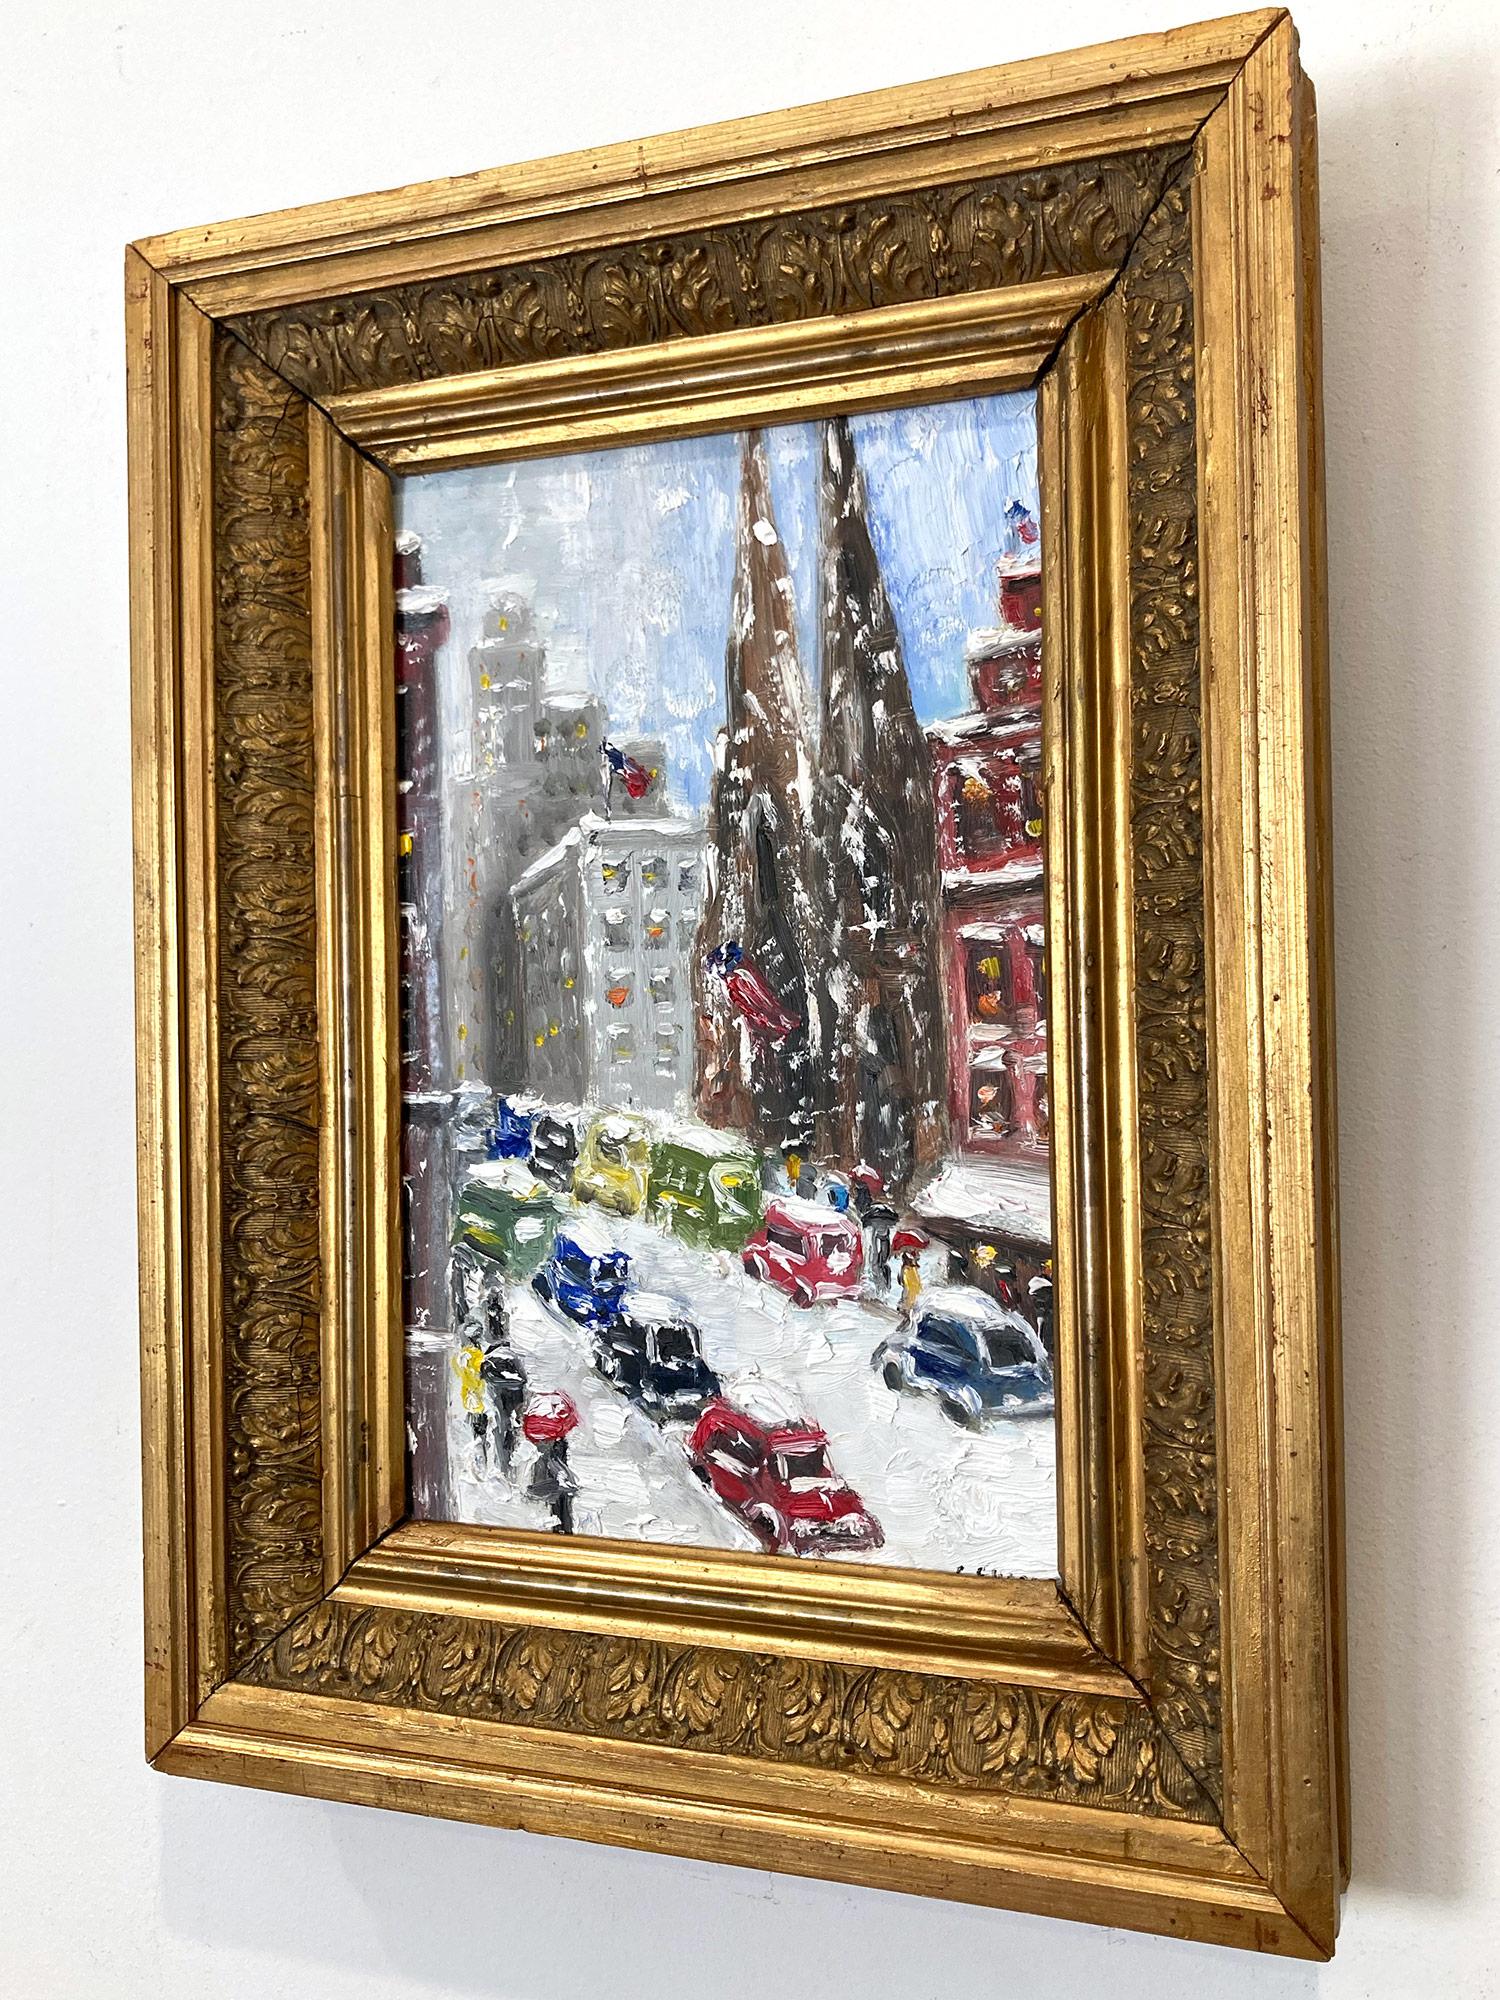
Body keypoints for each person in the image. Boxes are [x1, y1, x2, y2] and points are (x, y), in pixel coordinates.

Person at [478, 1296, 527, 1472]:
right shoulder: (509, 1354)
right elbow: (522, 1378)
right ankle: (507, 1453)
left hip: (502, 1391)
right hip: (510, 1390)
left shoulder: (494, 1355)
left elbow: (484, 1373)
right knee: (508, 1423)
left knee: (503, 1423)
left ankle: (504, 1457)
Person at [451, 1337, 489, 1474]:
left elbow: (459, 1372)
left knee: (477, 1433)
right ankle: (479, 1462)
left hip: (473, 1402)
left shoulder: (464, 1357)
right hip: (475, 1402)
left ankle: (479, 1462)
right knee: (478, 1434)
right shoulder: (476, 1356)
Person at [899, 1246, 923, 1317]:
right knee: (908, 1293)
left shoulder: (912, 1268)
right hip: (910, 1281)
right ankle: (905, 1309)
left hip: (912, 1281)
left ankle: (907, 1308)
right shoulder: (907, 1269)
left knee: (911, 1294)